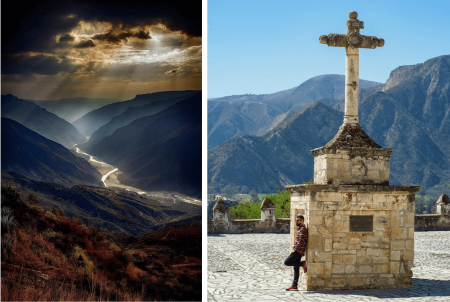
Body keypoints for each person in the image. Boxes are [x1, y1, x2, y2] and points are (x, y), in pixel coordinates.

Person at [284, 214, 308, 291]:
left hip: (298, 251)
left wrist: (294, 250)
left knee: (287, 262)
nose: (296, 221)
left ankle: (303, 264)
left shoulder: (302, 229)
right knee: (296, 268)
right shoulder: (300, 229)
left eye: (297, 220)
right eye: (296, 220)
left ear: (301, 221)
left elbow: (300, 241)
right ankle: (294, 285)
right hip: (299, 251)